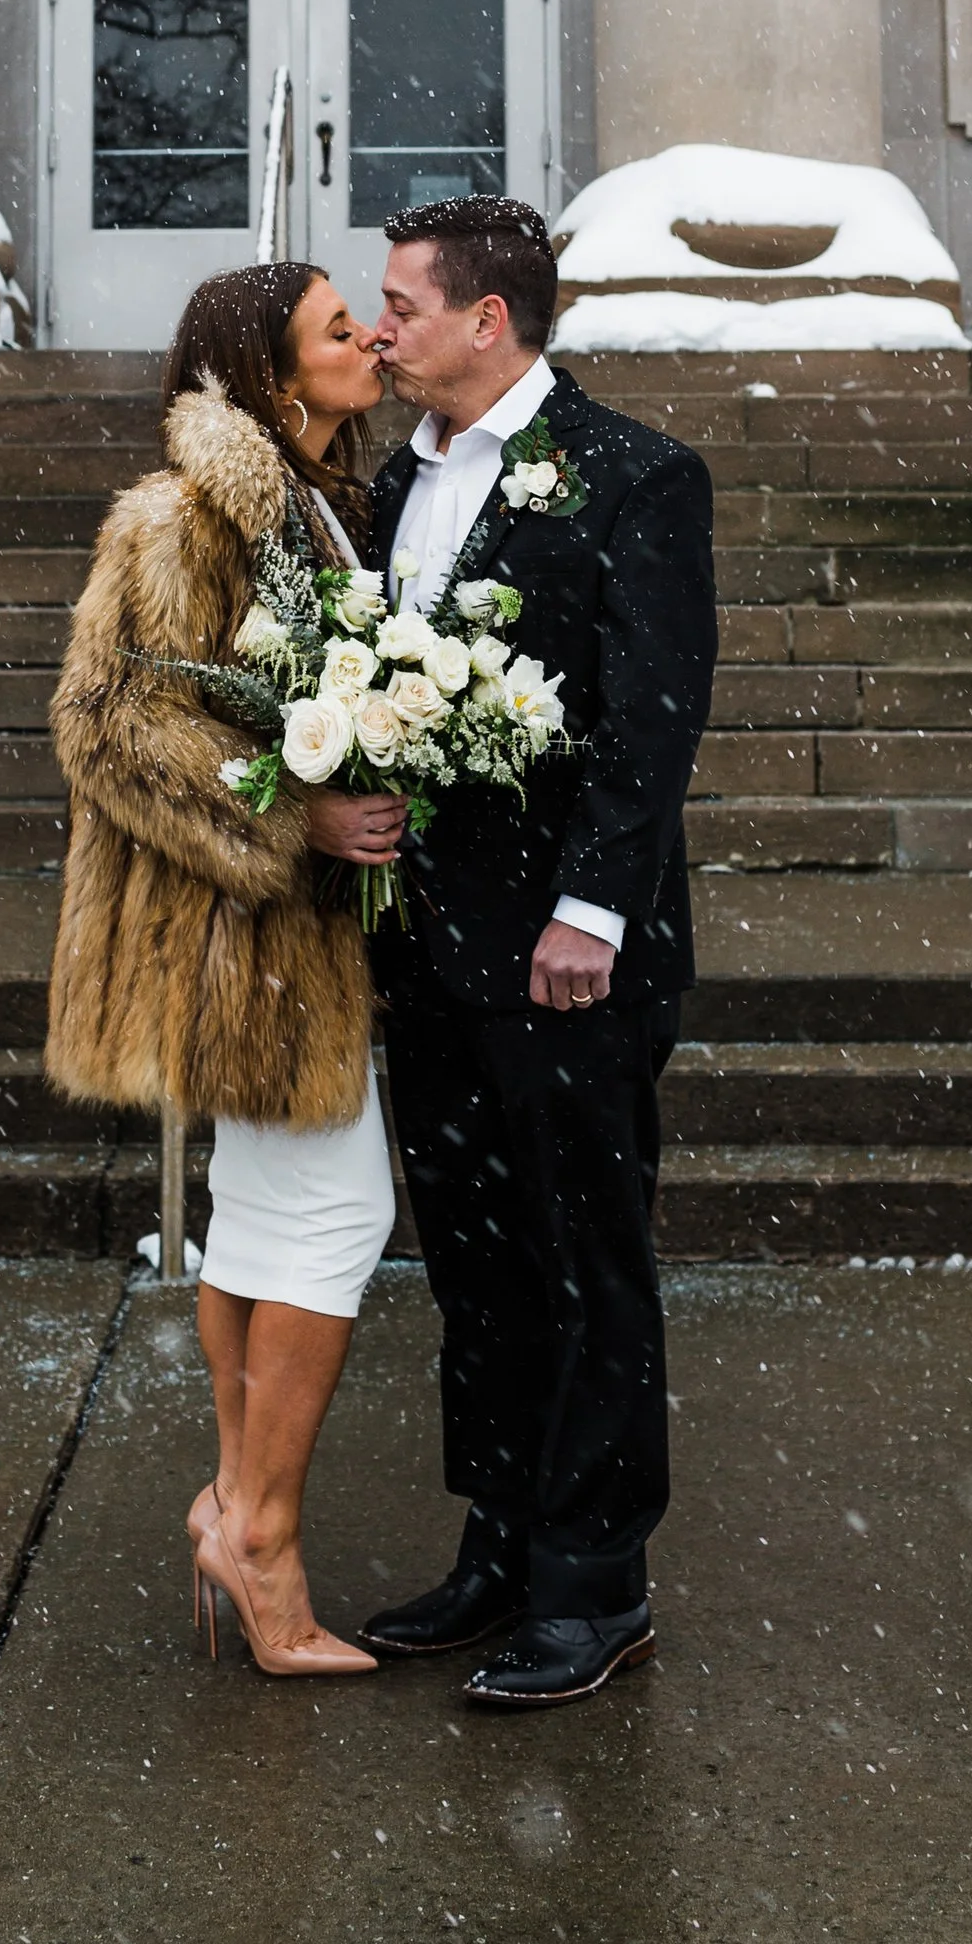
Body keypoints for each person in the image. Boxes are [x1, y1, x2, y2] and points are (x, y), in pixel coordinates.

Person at [355, 196, 718, 1708]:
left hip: (566, 954)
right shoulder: (394, 485)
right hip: (428, 952)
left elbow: (650, 720)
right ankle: (499, 1546)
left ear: (484, 321)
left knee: (583, 1263)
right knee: (477, 1262)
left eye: (400, 305)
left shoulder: (632, 477)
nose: (380, 330)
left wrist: (592, 912)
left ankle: (595, 1585)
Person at [45, 260, 405, 1677]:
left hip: (280, 935)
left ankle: (231, 1503)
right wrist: (293, 811)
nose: (369, 336)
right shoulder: (190, 513)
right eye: (337, 327)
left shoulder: (317, 501)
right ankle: (260, 1537)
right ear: (268, 369)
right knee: (341, 1212)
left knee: (258, 1219)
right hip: (229, 934)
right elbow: (107, 720)